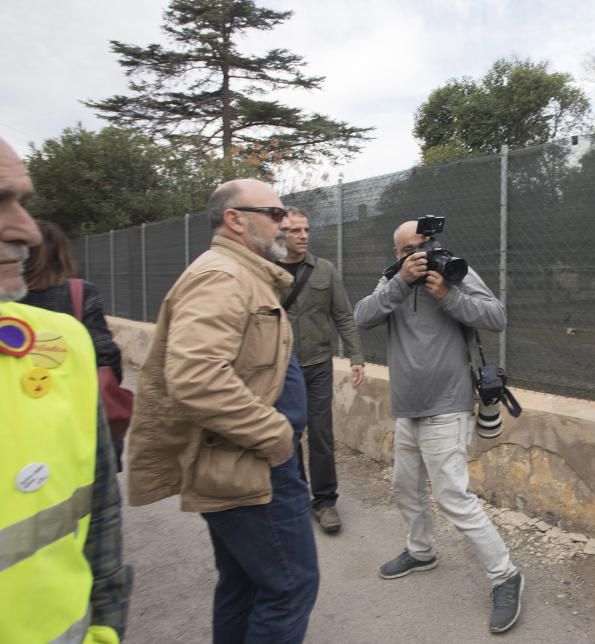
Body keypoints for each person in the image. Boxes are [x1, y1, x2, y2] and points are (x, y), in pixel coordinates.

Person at [126, 179, 319, 643]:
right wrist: (274, 436)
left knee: (245, 584)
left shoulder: (243, 274)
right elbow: (196, 377)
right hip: (251, 466)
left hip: (244, 462)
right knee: (291, 586)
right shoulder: (222, 277)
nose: (287, 222)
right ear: (235, 219)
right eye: (274, 213)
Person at [354, 219, 524, 634]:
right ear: (397, 253)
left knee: (452, 496)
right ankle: (421, 551)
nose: (421, 253)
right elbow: (362, 316)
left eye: (426, 244)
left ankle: (505, 576)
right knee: (404, 487)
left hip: (447, 404)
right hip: (407, 405)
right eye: (410, 248)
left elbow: (496, 316)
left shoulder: (455, 273)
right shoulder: (391, 281)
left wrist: (447, 295)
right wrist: (398, 285)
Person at [0, 136, 132, 643]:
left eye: (22, 202)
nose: (28, 232)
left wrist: (107, 625)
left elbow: (100, 508)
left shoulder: (60, 343)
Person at [277, 206, 365, 533]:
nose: (302, 236)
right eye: (294, 230)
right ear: (281, 234)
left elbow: (342, 315)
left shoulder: (325, 270)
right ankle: (297, 497)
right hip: (282, 369)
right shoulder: (267, 271)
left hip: (318, 365)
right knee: (288, 435)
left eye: (306, 230)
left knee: (321, 433)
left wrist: (355, 355)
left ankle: (325, 501)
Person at [21, 219, 127, 468]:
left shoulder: (10, 299)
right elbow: (106, 354)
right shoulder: (78, 293)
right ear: (60, 253)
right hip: (78, 417)